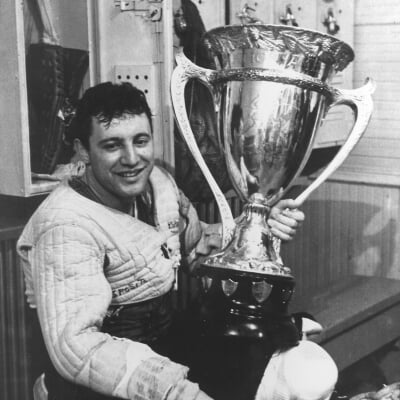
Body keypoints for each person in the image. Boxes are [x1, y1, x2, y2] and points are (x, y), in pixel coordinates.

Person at [17, 82, 305, 400]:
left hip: (163, 351)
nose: (132, 158)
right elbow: (77, 350)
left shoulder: (159, 183)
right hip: (91, 383)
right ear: (83, 149)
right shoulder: (64, 224)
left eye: (141, 141)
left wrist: (258, 227)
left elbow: (194, 249)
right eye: (112, 145)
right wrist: (175, 390)